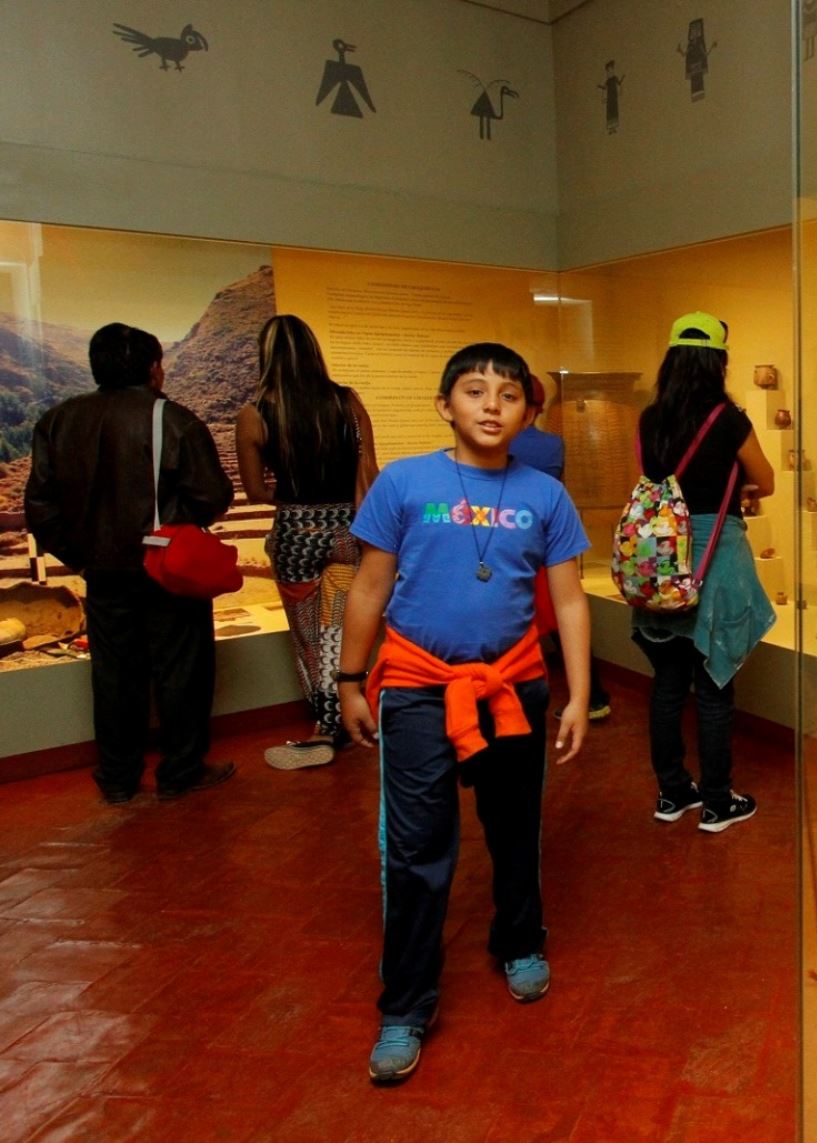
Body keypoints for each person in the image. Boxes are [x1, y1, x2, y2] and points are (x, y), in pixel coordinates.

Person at [334, 342, 591, 1084]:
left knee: (515, 828)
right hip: (417, 688)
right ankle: (406, 1004)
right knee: (418, 848)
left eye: (508, 394)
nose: (490, 405)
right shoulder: (404, 482)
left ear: (526, 412)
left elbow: (569, 600)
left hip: (513, 686)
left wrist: (576, 693)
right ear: (446, 405)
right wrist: (352, 681)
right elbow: (368, 587)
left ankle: (519, 940)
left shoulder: (544, 493)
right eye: (474, 391)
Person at [24, 322, 237, 803]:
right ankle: (181, 772)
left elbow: (41, 506)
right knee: (182, 670)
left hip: (101, 572)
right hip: (166, 568)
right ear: (153, 368)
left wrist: (79, 557)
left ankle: (119, 779)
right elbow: (210, 498)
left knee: (114, 674)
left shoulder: (58, 421)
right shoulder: (174, 420)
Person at [631, 312, 775, 833]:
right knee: (714, 682)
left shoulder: (650, 419)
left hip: (663, 554)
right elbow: (767, 479)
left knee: (667, 683)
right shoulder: (727, 418)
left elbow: (657, 486)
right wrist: (738, 489)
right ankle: (717, 801)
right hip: (715, 554)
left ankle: (672, 793)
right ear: (719, 361)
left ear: (671, 357)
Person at [235, 314, 378, 770]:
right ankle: (356, 716)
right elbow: (367, 475)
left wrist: (298, 504)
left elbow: (256, 491)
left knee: (308, 637)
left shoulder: (255, 414)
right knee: (343, 627)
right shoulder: (346, 403)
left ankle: (325, 727)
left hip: (296, 535)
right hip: (347, 530)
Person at [512, 372, 612, 723]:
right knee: (562, 621)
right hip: (546, 545)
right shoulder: (552, 445)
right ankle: (594, 695)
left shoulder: (507, 447)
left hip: (514, 548)